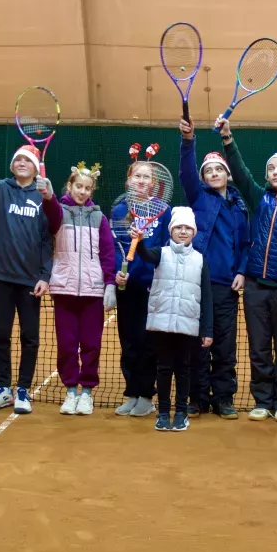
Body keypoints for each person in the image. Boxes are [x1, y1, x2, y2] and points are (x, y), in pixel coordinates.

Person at [218, 117, 277, 423]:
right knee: (259, 347)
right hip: (256, 285)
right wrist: (228, 140)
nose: (274, 172)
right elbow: (241, 174)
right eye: (271, 168)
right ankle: (262, 399)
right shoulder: (258, 198)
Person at [0, 139, 53, 415]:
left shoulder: (43, 196)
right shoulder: (1, 189)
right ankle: (3, 388)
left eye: (26, 160)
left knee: (30, 337)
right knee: (0, 335)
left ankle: (23, 389)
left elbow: (47, 239)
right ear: (12, 166)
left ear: (35, 167)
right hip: (1, 277)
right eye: (17, 160)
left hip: (30, 280)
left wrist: (45, 275)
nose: (21, 163)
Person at [177, 120, 249, 419]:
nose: (214, 173)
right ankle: (197, 397)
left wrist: (242, 271)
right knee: (197, 344)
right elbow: (186, 172)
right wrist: (188, 141)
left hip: (226, 286)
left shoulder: (240, 205)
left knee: (224, 346)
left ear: (227, 173)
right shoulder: (198, 196)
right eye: (209, 171)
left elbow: (246, 243)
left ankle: (223, 398)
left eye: (219, 169)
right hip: (196, 282)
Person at [44, 162, 114, 417]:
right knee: (66, 344)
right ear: (69, 186)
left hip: (93, 292)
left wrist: (109, 285)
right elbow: (50, 214)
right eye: (78, 187)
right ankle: (70, 390)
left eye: (87, 188)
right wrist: (49, 197)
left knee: (92, 345)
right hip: (63, 289)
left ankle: (87, 393)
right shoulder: (59, 211)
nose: (83, 192)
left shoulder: (100, 218)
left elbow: (107, 254)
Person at [138, 207, 213, 432]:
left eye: (187, 228)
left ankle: (180, 412)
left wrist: (207, 329)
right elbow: (144, 255)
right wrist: (140, 241)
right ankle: (163, 413)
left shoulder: (200, 260)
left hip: (188, 325)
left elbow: (206, 297)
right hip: (161, 325)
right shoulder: (160, 253)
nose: (183, 231)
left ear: (194, 232)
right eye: (178, 227)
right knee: (163, 368)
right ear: (171, 230)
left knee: (183, 369)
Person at [110, 146, 171, 418]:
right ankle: (132, 392)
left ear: (154, 184)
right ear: (128, 181)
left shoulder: (164, 212)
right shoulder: (119, 210)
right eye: (137, 176)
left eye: (147, 177)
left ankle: (147, 395)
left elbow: (166, 249)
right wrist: (116, 273)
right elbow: (112, 247)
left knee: (148, 343)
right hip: (127, 287)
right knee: (129, 341)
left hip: (154, 287)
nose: (142, 181)